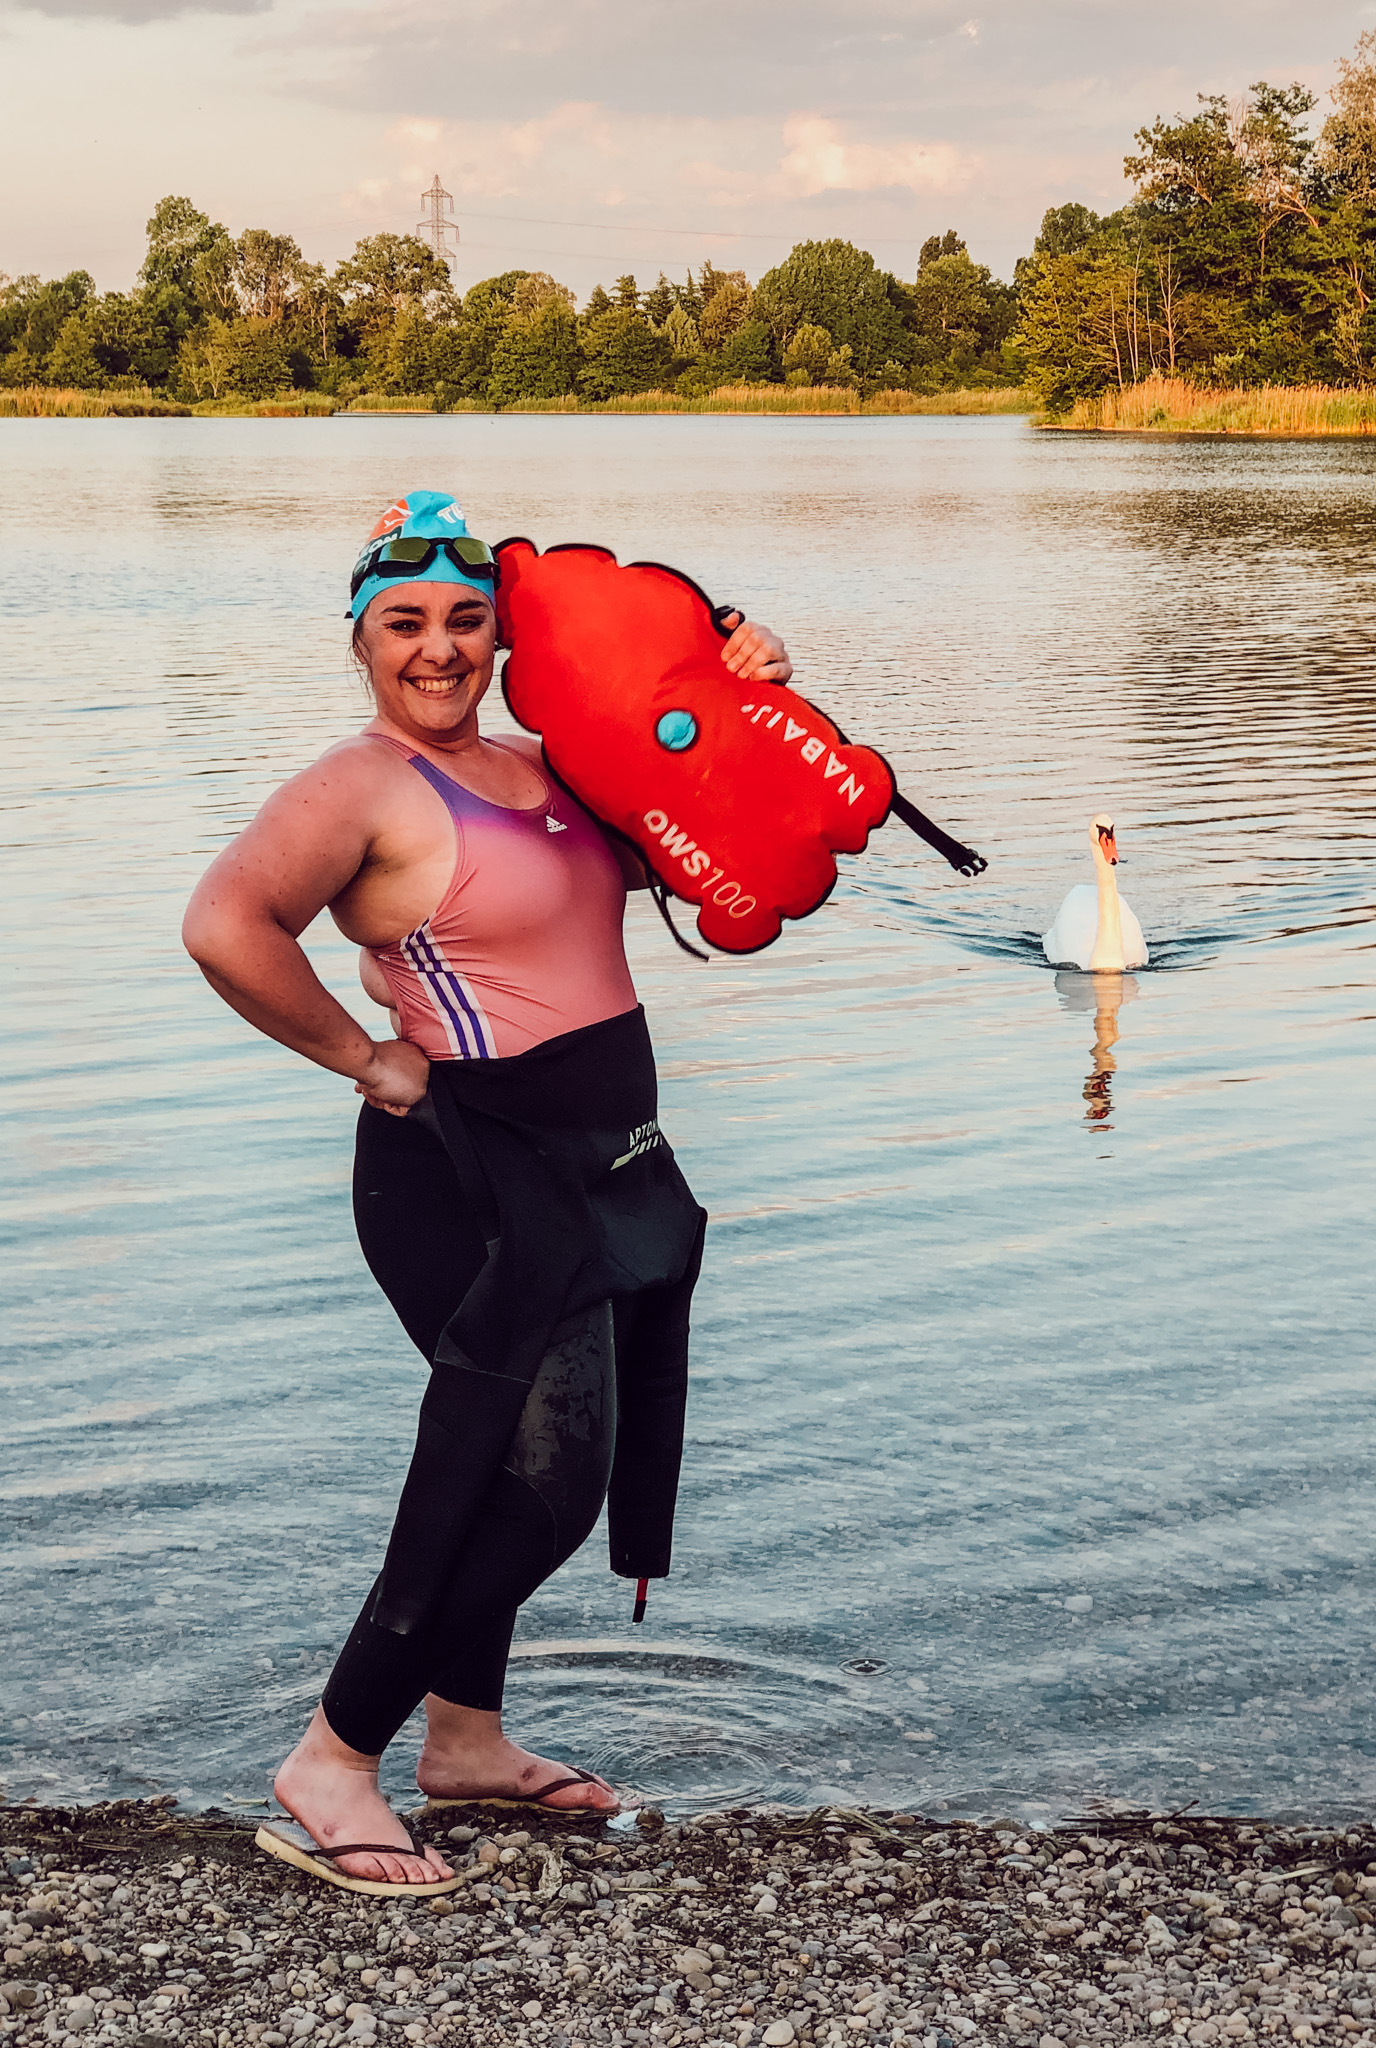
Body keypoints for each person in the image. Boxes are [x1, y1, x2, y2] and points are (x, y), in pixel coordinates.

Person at [183, 490, 793, 1891]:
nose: (440, 650)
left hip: (605, 1159)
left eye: (467, 621)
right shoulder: (362, 788)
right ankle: (336, 1752)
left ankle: (463, 1742)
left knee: (540, 1451)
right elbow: (225, 924)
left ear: (503, 635)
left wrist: (742, 685)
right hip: (465, 1174)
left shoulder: (550, 767)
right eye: (404, 624)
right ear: (359, 640)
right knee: (536, 1481)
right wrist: (365, 1057)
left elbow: (716, 829)